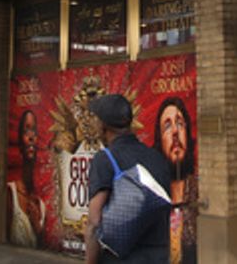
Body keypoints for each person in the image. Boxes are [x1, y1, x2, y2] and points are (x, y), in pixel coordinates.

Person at [84, 93, 171, 264]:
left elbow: (94, 223)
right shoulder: (157, 157)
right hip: (157, 257)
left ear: (103, 126)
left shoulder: (105, 159)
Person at [152, 97, 197, 264]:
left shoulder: (200, 189)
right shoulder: (153, 190)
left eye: (180, 124)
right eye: (167, 126)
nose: (175, 132)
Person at [8, 109, 45, 248]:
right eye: (26, 131)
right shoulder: (10, 194)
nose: (31, 137)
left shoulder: (41, 205)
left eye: (34, 131)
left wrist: (37, 227)